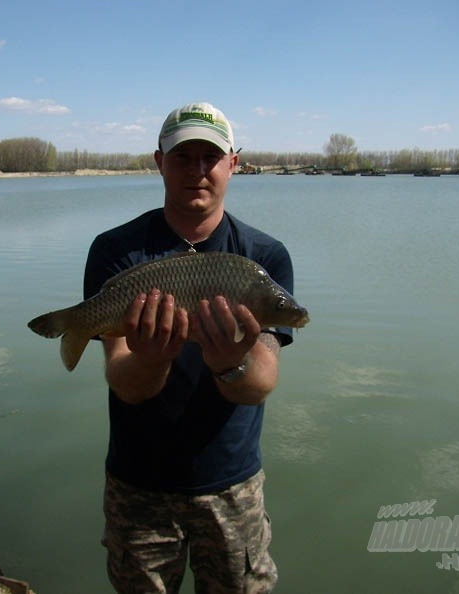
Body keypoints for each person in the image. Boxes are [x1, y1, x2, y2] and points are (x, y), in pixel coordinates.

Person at [83, 102, 297, 594]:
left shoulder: (262, 258)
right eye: (183, 158)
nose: (198, 171)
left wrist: (228, 363)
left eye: (211, 157)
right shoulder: (115, 251)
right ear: (159, 162)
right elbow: (124, 382)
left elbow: (260, 382)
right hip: (138, 487)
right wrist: (154, 356)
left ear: (233, 163)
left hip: (231, 486)